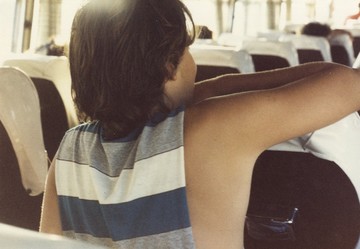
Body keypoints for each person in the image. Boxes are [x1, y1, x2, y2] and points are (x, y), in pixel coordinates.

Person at [40, 0, 360, 248]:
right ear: (169, 66)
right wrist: (210, 89)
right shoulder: (209, 129)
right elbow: (348, 84)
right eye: (187, 50)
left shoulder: (68, 151)